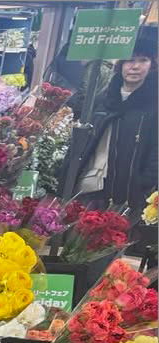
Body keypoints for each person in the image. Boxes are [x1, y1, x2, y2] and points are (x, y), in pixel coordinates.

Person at [75, 26, 158, 215]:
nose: (135, 66)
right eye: (129, 60)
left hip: (127, 194)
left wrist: (143, 184)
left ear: (152, 65)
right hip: (89, 187)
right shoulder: (104, 100)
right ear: (120, 65)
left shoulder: (153, 106)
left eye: (143, 60)